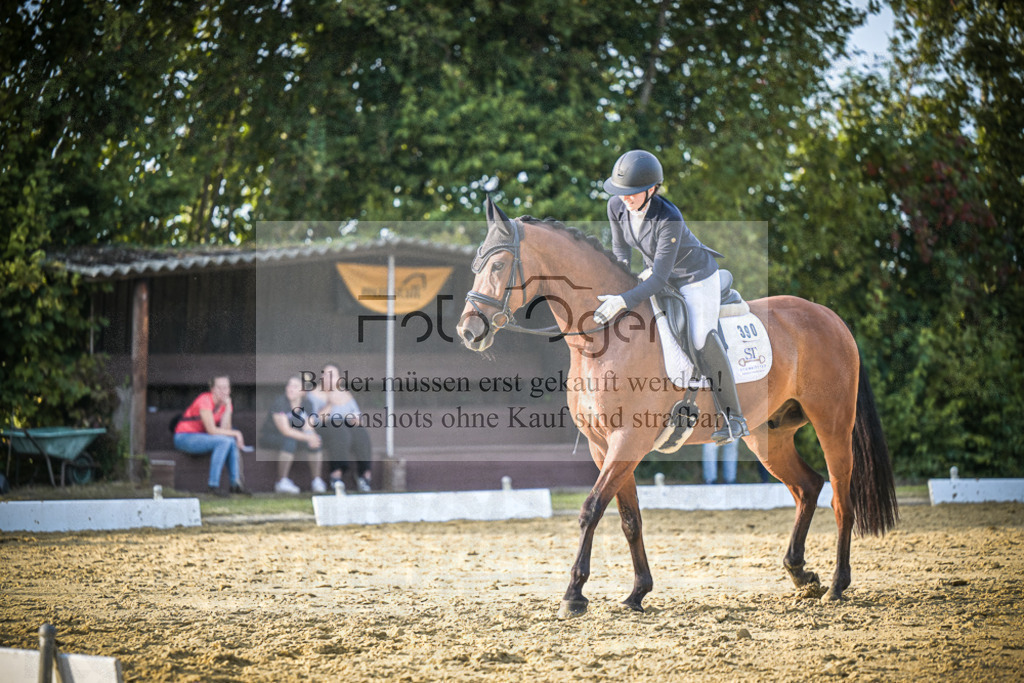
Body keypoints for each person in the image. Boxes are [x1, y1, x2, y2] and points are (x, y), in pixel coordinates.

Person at [595, 149, 749, 444]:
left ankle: (734, 417)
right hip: (656, 273)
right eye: (622, 192)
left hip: (694, 278)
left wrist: (623, 300)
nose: (626, 198)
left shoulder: (669, 218)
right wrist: (620, 282)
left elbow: (659, 279)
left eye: (635, 193)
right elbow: (621, 252)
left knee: (701, 336)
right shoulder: (616, 205)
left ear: (652, 189)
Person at [173, 375, 251, 496]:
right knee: (225, 441)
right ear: (212, 389)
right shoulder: (204, 400)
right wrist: (237, 433)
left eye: (226, 388)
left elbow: (225, 429)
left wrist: (228, 408)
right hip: (184, 437)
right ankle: (213, 486)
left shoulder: (225, 403)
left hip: (202, 437)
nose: (223, 391)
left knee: (229, 440)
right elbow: (212, 430)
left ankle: (235, 484)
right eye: (219, 388)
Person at [308, 364, 373, 492]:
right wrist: (331, 402)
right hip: (323, 428)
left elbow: (358, 416)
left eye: (332, 375)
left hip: (345, 428)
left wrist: (355, 420)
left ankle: (364, 475)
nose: (328, 378)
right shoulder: (313, 395)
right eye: (325, 374)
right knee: (339, 430)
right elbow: (314, 421)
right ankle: (336, 476)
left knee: (361, 433)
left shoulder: (345, 394)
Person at [259, 376, 328, 494]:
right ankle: (281, 482)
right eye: (289, 385)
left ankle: (316, 480)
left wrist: (312, 437)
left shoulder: (307, 404)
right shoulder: (280, 403)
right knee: (289, 440)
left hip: (296, 437)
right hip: (271, 436)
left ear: (303, 391)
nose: (290, 389)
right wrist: (308, 437)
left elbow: (308, 426)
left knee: (315, 442)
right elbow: (285, 431)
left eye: (295, 386)